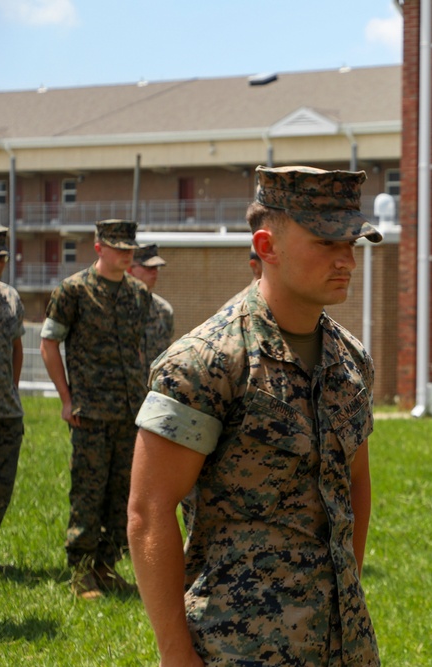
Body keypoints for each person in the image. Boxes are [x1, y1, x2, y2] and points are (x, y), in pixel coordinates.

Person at [128, 166, 382, 666]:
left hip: (345, 644)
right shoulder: (205, 362)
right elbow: (148, 510)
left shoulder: (351, 360)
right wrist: (176, 654)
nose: (347, 259)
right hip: (238, 645)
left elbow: (356, 484)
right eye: (327, 243)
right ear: (267, 246)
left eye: (352, 242)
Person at [40, 219, 151, 598]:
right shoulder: (73, 290)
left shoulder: (139, 293)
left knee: (123, 494)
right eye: (117, 247)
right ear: (98, 247)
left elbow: (138, 349)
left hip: (129, 412)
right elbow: (49, 344)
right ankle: (81, 572)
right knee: (88, 493)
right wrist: (66, 398)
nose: (125, 254)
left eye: (129, 249)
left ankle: (106, 566)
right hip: (90, 412)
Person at [0, 224, 24, 567]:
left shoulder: (10, 297)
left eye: (0, 258)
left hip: (5, 412)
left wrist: (11, 388)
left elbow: (17, 348)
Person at [128, 243, 175, 370]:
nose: (154, 272)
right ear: (129, 269)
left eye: (156, 267)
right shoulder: (115, 307)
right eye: (148, 267)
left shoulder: (163, 310)